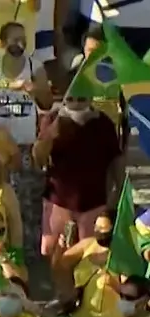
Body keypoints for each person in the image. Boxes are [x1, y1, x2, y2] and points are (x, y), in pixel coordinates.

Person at [0, 21, 52, 238]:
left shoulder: (35, 67)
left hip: (25, 145)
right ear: (1, 42)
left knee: (26, 203)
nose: (20, 43)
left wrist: (35, 89)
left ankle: (26, 251)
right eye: (14, 39)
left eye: (23, 39)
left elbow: (47, 103)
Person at [34, 94, 123, 258]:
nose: (76, 104)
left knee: (89, 257)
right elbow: (39, 159)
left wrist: (117, 195)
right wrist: (49, 136)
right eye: (71, 99)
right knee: (54, 254)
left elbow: (116, 162)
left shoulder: (103, 123)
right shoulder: (53, 119)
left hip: (93, 203)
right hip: (58, 201)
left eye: (81, 98)